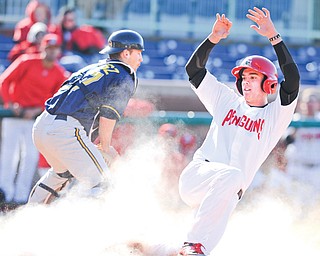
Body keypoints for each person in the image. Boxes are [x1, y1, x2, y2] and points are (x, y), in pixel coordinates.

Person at [177, 7, 300, 256]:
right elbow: (194, 71)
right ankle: (191, 242)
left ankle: (157, 246)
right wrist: (213, 39)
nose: (245, 81)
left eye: (253, 76)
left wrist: (274, 36)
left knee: (199, 251)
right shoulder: (226, 100)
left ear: (269, 83)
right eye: (243, 77)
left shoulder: (274, 116)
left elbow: (293, 81)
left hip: (227, 195)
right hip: (199, 175)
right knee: (233, 178)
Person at [28, 29, 144, 204]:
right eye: (138, 53)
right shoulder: (124, 74)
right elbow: (108, 113)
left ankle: (27, 218)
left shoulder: (92, 67)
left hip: (42, 124)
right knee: (102, 184)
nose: (141, 58)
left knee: (61, 174)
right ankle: (82, 227)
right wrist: (105, 147)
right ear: (126, 53)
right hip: (65, 130)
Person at [0, 33, 69, 205]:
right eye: (49, 48)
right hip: (15, 114)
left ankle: (21, 197)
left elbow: (58, 98)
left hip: (34, 119)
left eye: (55, 48)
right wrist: (10, 103)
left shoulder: (59, 72)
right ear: (42, 48)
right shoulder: (27, 61)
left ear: (59, 50)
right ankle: (4, 193)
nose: (52, 52)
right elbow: (4, 81)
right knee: (9, 155)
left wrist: (38, 109)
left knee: (30, 157)